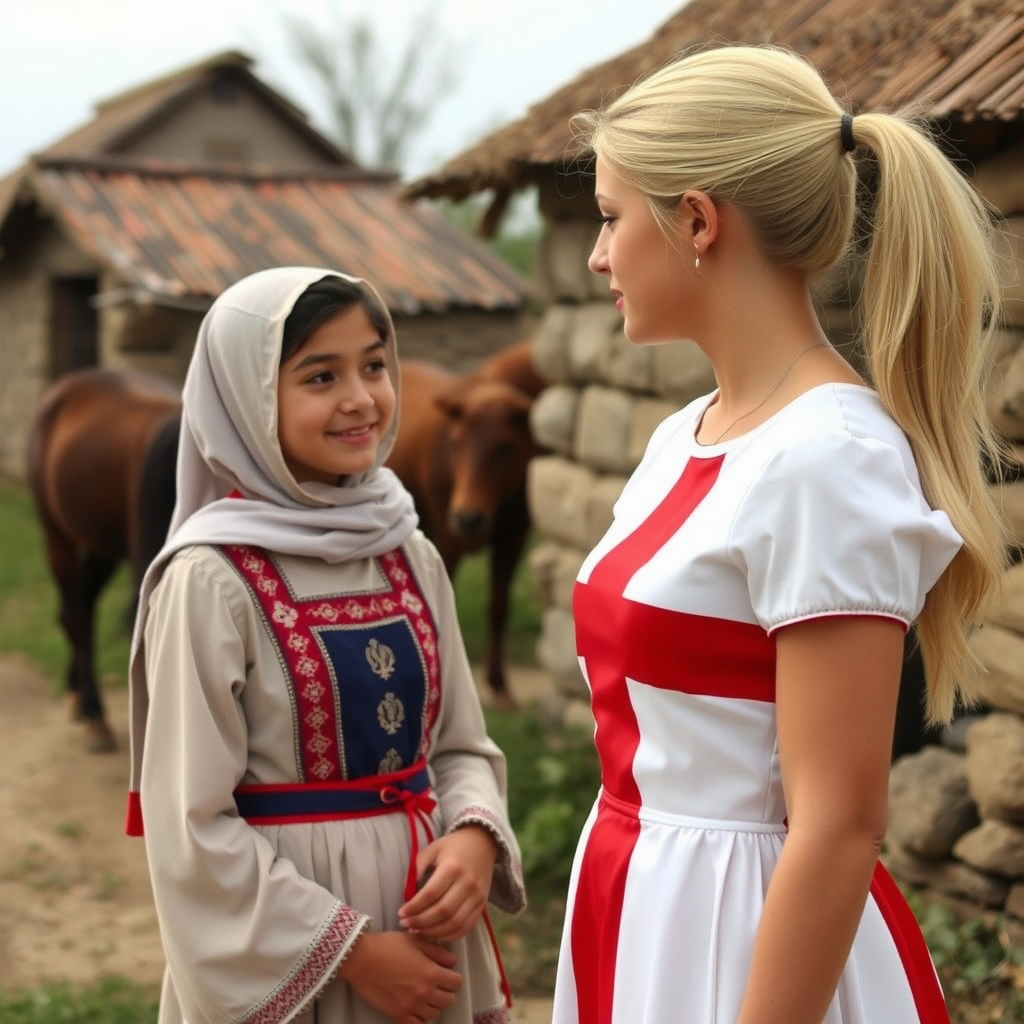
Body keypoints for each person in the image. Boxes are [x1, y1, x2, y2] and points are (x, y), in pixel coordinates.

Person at [553, 44, 1007, 1024]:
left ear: (698, 221)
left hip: (743, 941)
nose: (596, 255)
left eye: (609, 217)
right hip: (642, 898)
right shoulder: (685, 435)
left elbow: (839, 823)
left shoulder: (827, 458)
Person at [124, 267, 525, 1024]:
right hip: (302, 960)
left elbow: (460, 745)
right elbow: (191, 825)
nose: (360, 399)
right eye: (319, 375)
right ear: (245, 399)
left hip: (432, 937)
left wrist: (472, 834)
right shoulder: (210, 583)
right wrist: (354, 953)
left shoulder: (409, 553)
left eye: (374, 365)